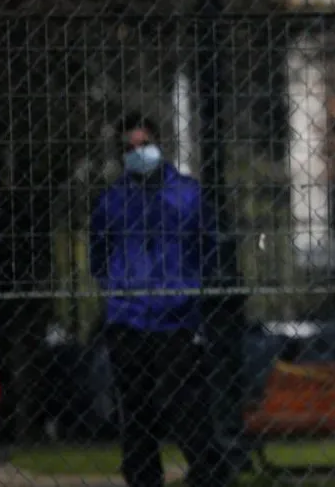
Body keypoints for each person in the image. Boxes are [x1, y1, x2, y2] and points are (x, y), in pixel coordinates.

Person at [89, 113, 234, 487]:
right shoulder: (112, 201)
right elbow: (98, 256)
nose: (138, 153)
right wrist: (120, 286)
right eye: (130, 147)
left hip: (177, 319)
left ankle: (209, 474)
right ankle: (143, 478)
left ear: (159, 145)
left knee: (186, 407)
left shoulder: (187, 194)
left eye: (144, 145)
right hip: (129, 318)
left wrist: (188, 286)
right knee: (136, 411)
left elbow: (209, 248)